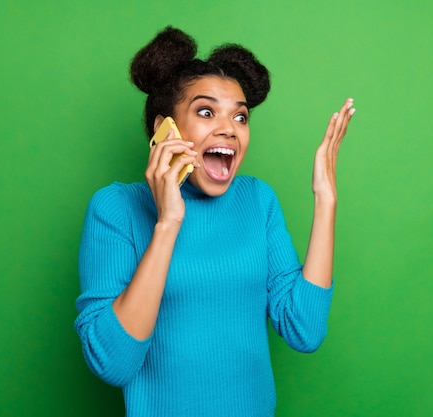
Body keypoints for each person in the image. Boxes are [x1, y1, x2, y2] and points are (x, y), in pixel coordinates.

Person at [74, 26, 355, 417]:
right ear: (164, 130)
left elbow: (304, 329)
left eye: (240, 117)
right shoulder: (116, 209)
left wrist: (326, 200)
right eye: (206, 112)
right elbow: (114, 363)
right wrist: (168, 222)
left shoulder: (257, 201)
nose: (229, 129)